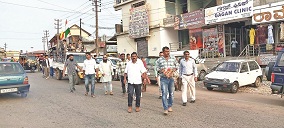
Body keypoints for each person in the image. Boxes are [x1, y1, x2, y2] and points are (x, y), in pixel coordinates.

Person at [156, 46, 178, 115]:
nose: (167, 53)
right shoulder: (159, 60)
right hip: (163, 79)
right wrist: (160, 70)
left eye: (168, 51)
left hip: (171, 78)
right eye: (166, 51)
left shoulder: (173, 58)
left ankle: (169, 106)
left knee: (171, 93)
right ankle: (165, 108)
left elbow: (177, 65)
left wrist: (174, 69)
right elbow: (156, 68)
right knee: (164, 93)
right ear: (163, 52)